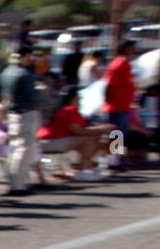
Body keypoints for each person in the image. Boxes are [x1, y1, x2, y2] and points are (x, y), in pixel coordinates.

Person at [38, 87, 114, 181]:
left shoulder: (65, 110)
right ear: (74, 98)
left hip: (47, 142)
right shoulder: (70, 110)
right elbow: (78, 131)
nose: (81, 99)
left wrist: (99, 130)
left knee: (94, 140)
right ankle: (85, 170)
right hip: (51, 142)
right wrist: (100, 129)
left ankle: (88, 168)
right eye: (79, 96)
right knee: (89, 139)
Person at [0, 45, 40, 194]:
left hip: (12, 113)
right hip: (25, 113)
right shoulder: (24, 74)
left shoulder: (5, 72)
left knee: (15, 149)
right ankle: (18, 185)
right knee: (23, 150)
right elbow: (31, 95)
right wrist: (38, 89)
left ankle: (15, 182)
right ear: (25, 56)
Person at [103, 39, 138, 170]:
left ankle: (116, 160)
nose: (135, 49)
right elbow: (109, 84)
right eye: (132, 47)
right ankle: (112, 161)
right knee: (116, 133)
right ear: (126, 48)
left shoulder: (126, 64)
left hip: (123, 105)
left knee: (119, 134)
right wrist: (110, 101)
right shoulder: (119, 64)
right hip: (117, 106)